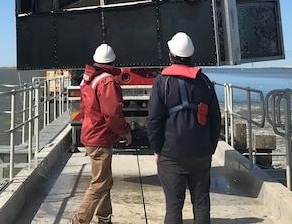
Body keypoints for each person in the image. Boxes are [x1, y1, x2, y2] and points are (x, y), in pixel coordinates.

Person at [146, 32, 221, 224]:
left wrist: (157, 149)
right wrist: (209, 148)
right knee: (202, 204)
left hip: (171, 155)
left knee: (173, 206)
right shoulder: (204, 81)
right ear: (191, 55)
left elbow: (154, 121)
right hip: (201, 154)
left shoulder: (162, 82)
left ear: (170, 55)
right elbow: (215, 119)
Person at [72, 43, 132, 224]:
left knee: (104, 179)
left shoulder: (88, 79)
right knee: (99, 184)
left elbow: (84, 107)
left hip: (91, 134)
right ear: (113, 61)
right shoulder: (107, 81)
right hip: (100, 138)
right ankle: (80, 221)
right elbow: (112, 113)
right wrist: (125, 131)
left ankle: (104, 217)